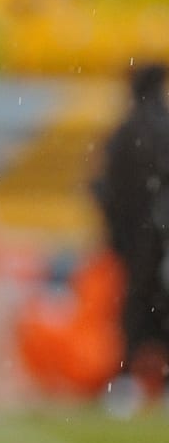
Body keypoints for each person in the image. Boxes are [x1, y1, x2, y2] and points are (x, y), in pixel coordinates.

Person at [92, 62, 169, 415]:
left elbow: (105, 190)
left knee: (133, 310)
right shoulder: (162, 127)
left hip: (135, 241)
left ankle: (127, 381)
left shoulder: (125, 132)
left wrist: (118, 236)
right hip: (159, 239)